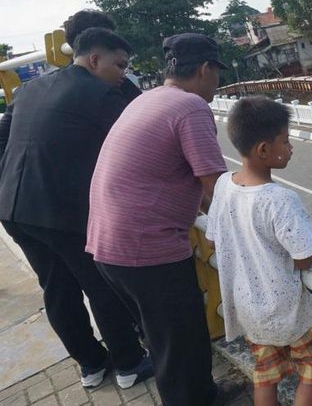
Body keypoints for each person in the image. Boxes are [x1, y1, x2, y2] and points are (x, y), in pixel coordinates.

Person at [86, 33, 242, 406]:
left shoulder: (149, 99)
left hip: (107, 247)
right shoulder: (190, 107)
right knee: (179, 342)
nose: (217, 83)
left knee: (166, 337)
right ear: (205, 69)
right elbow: (214, 188)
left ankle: (204, 394)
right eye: (217, 73)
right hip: (146, 251)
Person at [0, 28, 152, 389]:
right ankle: (129, 363)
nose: (123, 75)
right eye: (120, 66)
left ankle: (91, 365)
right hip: (60, 211)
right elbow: (138, 145)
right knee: (101, 284)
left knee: (57, 289)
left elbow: (3, 138)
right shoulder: (100, 94)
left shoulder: (29, 89)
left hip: (12, 206)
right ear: (95, 60)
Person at [206, 96, 312, 406]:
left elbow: (213, 239)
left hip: (250, 312)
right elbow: (304, 258)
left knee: (266, 375)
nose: (290, 148)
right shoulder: (280, 199)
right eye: (286, 141)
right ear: (264, 150)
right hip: (288, 312)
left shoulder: (223, 184)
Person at [63, 9, 142, 101]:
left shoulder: (52, 85)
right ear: (94, 59)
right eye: (109, 39)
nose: (115, 44)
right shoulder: (108, 94)